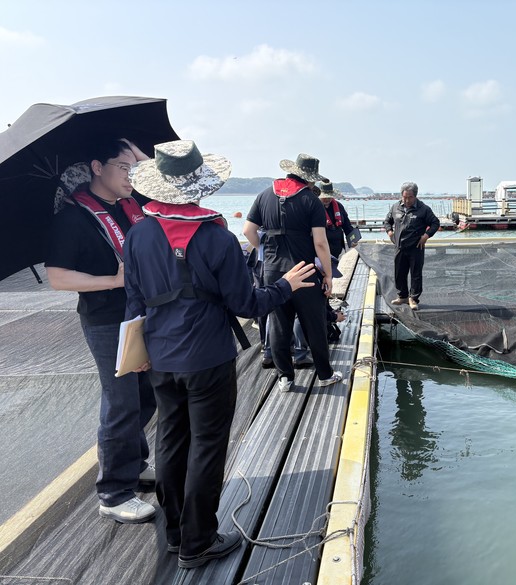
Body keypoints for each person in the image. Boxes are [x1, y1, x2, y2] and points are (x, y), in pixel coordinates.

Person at [123, 140, 316, 569]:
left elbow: (134, 300)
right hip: (208, 356)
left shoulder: (138, 233)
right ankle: (199, 541)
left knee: (170, 441)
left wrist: (137, 350)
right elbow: (246, 304)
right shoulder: (217, 237)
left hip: (160, 356)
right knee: (207, 447)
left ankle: (176, 534)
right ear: (202, 186)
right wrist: (285, 285)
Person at [46, 138, 157, 524]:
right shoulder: (72, 217)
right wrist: (113, 280)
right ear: (97, 167)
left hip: (141, 312)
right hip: (107, 319)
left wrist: (136, 155)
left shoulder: (133, 206)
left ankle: (134, 463)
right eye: (124, 168)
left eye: (134, 169)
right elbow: (58, 277)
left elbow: (163, 186)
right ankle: (113, 492)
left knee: (146, 396)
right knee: (121, 402)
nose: (132, 176)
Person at [242, 153, 343, 392]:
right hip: (304, 270)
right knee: (314, 324)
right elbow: (320, 243)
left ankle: (285, 378)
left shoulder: (264, 195)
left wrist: (266, 251)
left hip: (273, 272)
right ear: (309, 178)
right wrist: (328, 275)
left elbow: (247, 231)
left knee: (279, 325)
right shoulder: (311, 200)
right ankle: (325, 374)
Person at [382, 181, 440, 310]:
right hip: (399, 246)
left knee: (416, 274)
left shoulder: (424, 209)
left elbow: (435, 223)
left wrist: (426, 236)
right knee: (399, 273)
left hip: (416, 247)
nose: (407, 200)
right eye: (404, 197)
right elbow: (387, 221)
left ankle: (413, 298)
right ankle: (402, 296)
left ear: (415, 196)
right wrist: (390, 232)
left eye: (410, 197)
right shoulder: (395, 207)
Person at [318, 181, 357, 259]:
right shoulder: (315, 207)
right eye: (324, 197)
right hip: (322, 248)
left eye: (329, 197)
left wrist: (353, 239)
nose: (327, 199)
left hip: (338, 247)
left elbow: (347, 225)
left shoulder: (339, 206)